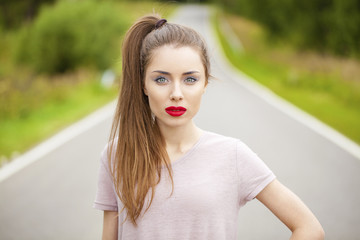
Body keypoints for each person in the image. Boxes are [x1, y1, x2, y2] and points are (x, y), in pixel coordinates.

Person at [94, 14, 324, 240]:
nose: (176, 94)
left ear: (205, 83)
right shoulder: (116, 155)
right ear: (144, 84)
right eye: (161, 79)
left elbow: (309, 228)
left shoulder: (232, 155)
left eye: (190, 79)